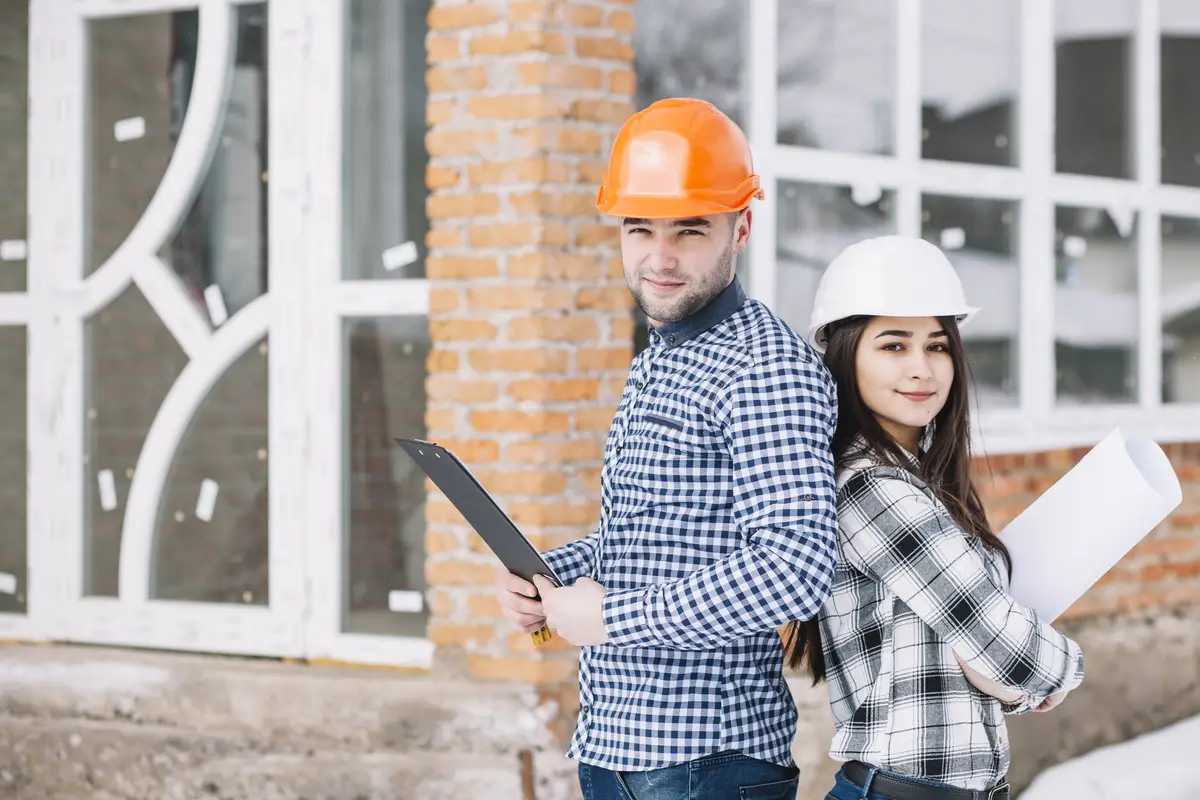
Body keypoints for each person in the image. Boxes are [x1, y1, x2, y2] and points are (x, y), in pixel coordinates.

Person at [495, 97, 840, 799]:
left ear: (740, 228)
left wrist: (610, 618)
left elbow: (797, 568)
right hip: (618, 750)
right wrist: (551, 579)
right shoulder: (662, 353)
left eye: (689, 231)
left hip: (706, 767)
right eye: (639, 228)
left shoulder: (763, 368)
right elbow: (652, 534)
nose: (659, 257)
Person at [783, 235, 1086, 800]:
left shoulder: (918, 479)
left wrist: (1015, 683)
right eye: (894, 347)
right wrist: (1061, 669)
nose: (923, 369)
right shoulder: (873, 488)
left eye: (938, 346)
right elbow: (1000, 637)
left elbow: (979, 655)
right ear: (846, 353)